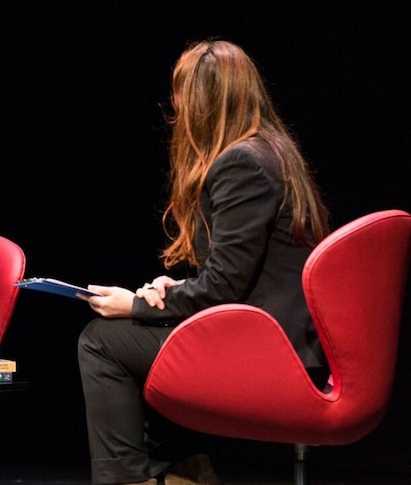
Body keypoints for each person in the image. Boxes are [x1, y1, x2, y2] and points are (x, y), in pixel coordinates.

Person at [76, 39, 331, 485]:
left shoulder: (242, 163)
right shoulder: (274, 152)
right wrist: (173, 291)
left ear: (204, 101)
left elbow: (224, 288)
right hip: (276, 338)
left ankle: (128, 479)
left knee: (101, 339)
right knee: (155, 331)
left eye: (180, 93)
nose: (174, 105)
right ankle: (188, 469)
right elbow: (237, 277)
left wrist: (134, 306)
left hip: (272, 353)